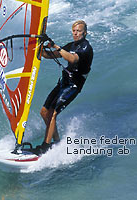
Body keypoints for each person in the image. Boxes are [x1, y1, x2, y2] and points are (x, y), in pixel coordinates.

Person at [35, 20, 93, 155]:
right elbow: (51, 55)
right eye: (74, 31)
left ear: (85, 33)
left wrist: (55, 45)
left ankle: (45, 146)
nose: (76, 33)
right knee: (44, 112)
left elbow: (72, 59)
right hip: (64, 82)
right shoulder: (71, 45)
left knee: (53, 113)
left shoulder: (86, 47)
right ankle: (56, 142)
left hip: (74, 85)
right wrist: (40, 46)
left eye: (79, 31)